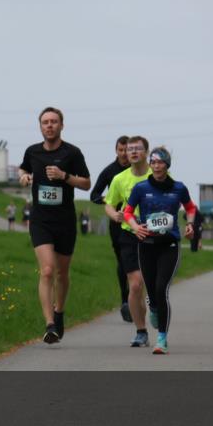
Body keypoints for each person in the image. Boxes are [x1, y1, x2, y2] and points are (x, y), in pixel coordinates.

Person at [18, 107, 91, 344]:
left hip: (65, 220)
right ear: (40, 126)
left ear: (61, 125)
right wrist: (23, 176)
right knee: (47, 270)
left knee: (62, 273)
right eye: (45, 122)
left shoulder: (72, 153)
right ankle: (49, 324)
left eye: (54, 122)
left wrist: (64, 177)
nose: (49, 125)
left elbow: (87, 183)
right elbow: (24, 168)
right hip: (40, 220)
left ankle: (59, 312)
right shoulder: (33, 151)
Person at [123, 146, 196, 355]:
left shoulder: (179, 188)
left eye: (160, 162)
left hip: (169, 245)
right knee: (153, 293)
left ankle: (162, 339)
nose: (156, 166)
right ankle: (153, 307)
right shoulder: (140, 188)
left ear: (167, 165)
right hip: (146, 245)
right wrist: (136, 227)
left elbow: (190, 208)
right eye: (153, 162)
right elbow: (128, 212)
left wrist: (190, 224)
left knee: (161, 288)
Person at [104, 136, 153, 347]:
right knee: (135, 285)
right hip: (128, 234)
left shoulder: (158, 174)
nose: (132, 152)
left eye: (137, 149)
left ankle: (156, 311)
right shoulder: (119, 179)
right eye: (129, 149)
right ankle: (141, 331)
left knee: (152, 285)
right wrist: (113, 214)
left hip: (154, 235)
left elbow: (173, 197)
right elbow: (109, 203)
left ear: (146, 152)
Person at [90, 135, 132, 322]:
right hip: (117, 222)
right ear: (116, 150)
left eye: (127, 150)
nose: (124, 153)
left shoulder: (138, 169)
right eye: (120, 150)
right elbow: (94, 194)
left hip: (138, 222)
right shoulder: (110, 171)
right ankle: (125, 300)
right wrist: (107, 201)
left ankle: (138, 298)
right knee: (123, 262)